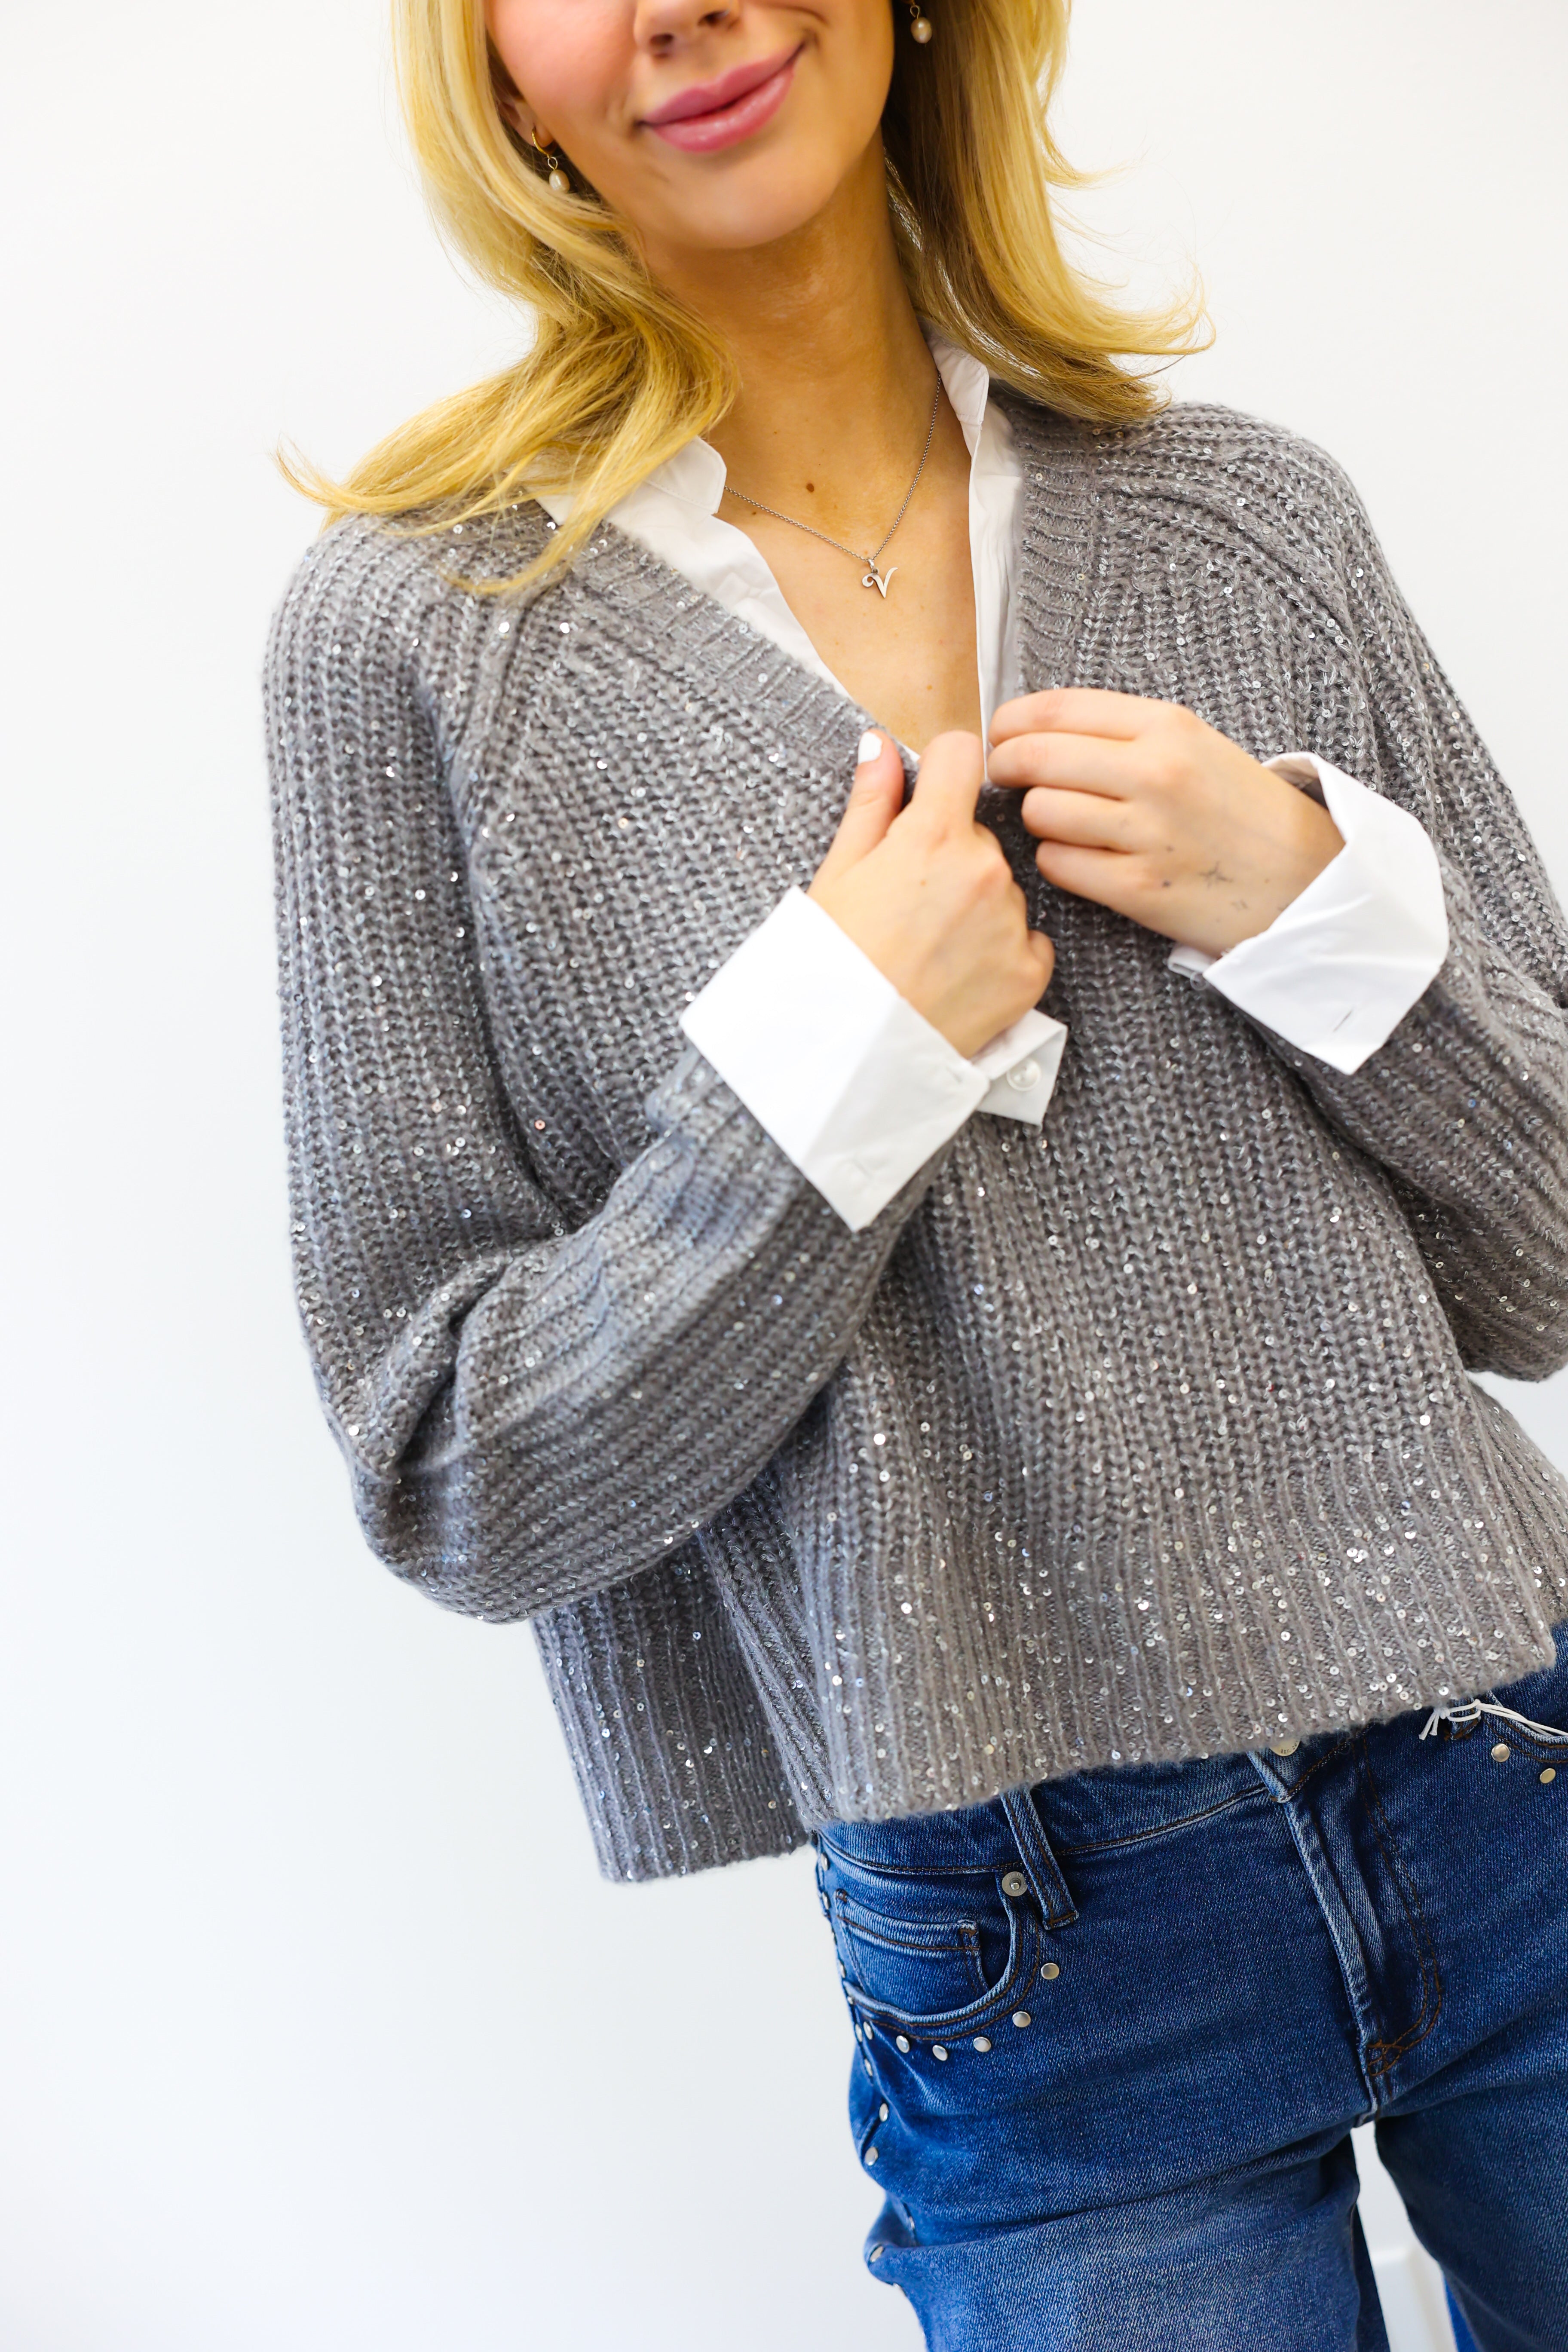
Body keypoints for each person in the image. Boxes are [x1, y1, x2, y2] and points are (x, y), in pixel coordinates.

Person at [264, 0, 1568, 2341]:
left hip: (1520, 1758)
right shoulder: (416, 651)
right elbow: (457, 1471)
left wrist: (1304, 899)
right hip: (1043, 1950)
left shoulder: (1245, 517)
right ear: (494, 67)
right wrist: (824, 1071)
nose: (686, 7)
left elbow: (1552, 1255)